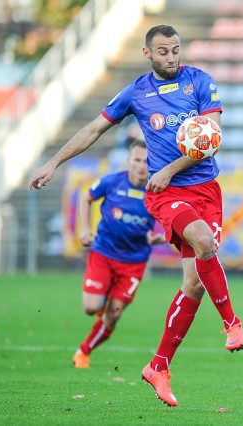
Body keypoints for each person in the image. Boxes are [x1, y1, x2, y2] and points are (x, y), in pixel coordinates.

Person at [28, 25, 243, 407]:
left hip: (206, 191)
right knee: (204, 242)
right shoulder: (137, 92)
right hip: (166, 194)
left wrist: (170, 167)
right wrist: (53, 161)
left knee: (194, 284)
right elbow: (95, 128)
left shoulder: (200, 82)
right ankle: (231, 322)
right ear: (147, 53)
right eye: (163, 51)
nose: (172, 57)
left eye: (176, 49)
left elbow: (211, 139)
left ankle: (158, 366)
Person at [73, 140, 166, 369]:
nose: (142, 165)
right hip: (103, 253)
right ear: (128, 161)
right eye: (137, 160)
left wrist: (160, 237)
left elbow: (170, 224)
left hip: (134, 262)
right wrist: (85, 229)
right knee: (91, 308)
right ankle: (103, 298)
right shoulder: (111, 182)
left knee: (114, 315)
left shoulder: (158, 190)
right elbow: (86, 199)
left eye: (147, 161)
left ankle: (83, 352)